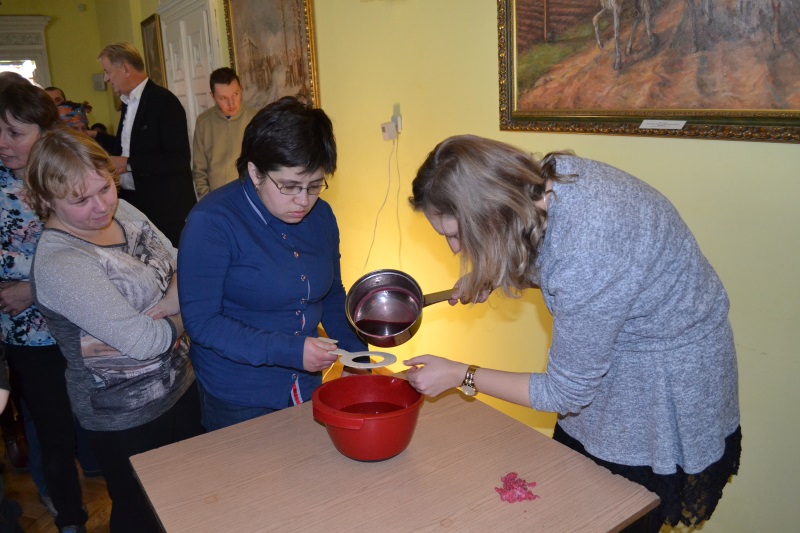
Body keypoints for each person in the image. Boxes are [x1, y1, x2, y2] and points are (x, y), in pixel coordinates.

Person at [403, 135, 741, 533]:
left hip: (662, 380)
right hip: (615, 352)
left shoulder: (588, 245)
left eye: (456, 233)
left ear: (492, 213)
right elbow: (557, 257)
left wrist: (461, 375)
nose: (454, 249)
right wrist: (495, 273)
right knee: (574, 497)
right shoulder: (546, 182)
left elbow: (563, 392)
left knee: (617, 512)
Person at [26, 127, 203, 533]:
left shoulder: (123, 210)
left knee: (191, 503)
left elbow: (183, 260)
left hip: (183, 386)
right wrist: (185, 306)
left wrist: (171, 303)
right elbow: (146, 342)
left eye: (105, 187)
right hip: (126, 419)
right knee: (141, 515)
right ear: (45, 199)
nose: (101, 206)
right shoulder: (61, 262)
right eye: (80, 200)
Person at [178, 96, 367, 432]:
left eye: (314, 186)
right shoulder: (212, 221)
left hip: (307, 382)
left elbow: (331, 293)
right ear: (255, 172)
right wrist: (292, 350)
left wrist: (357, 356)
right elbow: (203, 323)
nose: (303, 201)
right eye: (289, 186)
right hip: (240, 394)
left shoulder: (321, 216)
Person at [0, 76, 89, 533]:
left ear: (44, 131)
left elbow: (94, 251)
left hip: (82, 323)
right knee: (50, 430)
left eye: (15, 133)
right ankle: (69, 517)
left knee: (89, 419)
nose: (3, 143)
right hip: (26, 338)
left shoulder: (67, 177)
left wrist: (32, 288)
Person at [98, 42, 196, 246]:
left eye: (107, 71)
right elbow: (131, 147)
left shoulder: (164, 102)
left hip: (165, 210)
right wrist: (95, 136)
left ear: (125, 69)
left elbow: (177, 159)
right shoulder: (128, 102)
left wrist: (128, 164)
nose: (105, 78)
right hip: (135, 204)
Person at [192, 67, 256, 199]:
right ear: (213, 96)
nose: (231, 103)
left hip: (248, 197)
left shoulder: (255, 119)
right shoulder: (203, 122)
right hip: (215, 198)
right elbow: (199, 170)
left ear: (241, 89)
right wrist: (207, 199)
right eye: (223, 98)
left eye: (235, 94)